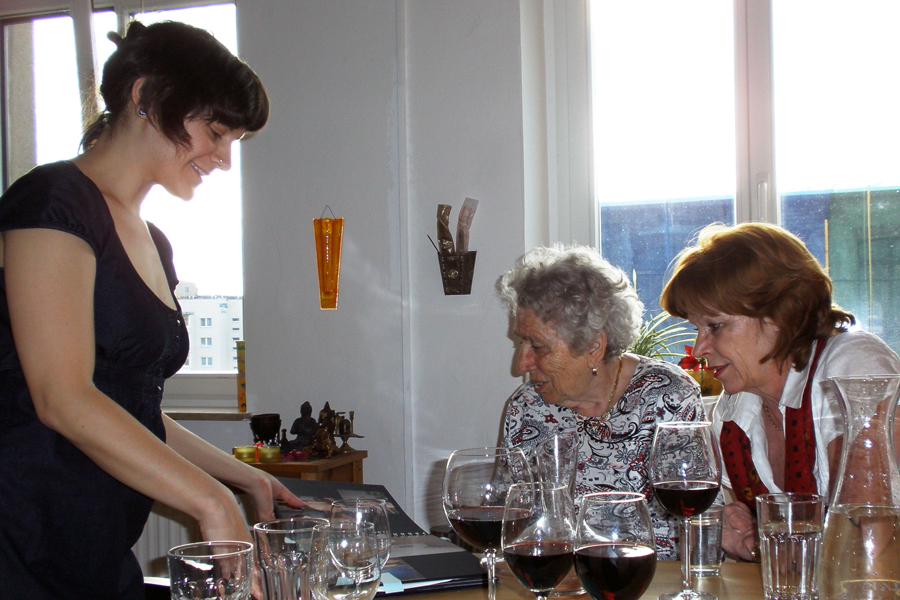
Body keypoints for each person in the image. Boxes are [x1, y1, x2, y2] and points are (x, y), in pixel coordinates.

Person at [0, 21, 303, 599]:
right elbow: (62, 396)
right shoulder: (53, 203)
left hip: (94, 548)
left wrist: (245, 477)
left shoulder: (153, 241)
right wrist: (212, 501)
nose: (224, 159)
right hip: (19, 538)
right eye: (216, 132)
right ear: (144, 97)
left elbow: (133, 408)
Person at [660, 221, 900, 561]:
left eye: (715, 325)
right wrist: (750, 544)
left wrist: (770, 545)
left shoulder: (853, 367)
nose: (699, 349)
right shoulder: (733, 409)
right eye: (697, 328)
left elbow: (870, 539)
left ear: (779, 313)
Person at [498, 244, 706, 559]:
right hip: (558, 580)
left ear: (594, 347)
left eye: (537, 347)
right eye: (521, 343)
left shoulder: (668, 397)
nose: (521, 365)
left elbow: (702, 526)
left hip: (651, 580)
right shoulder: (526, 408)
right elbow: (511, 523)